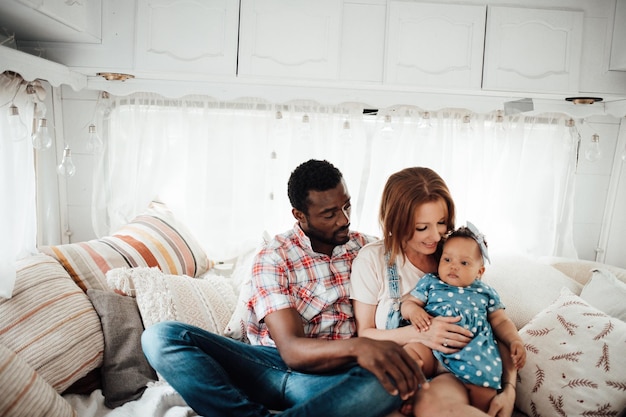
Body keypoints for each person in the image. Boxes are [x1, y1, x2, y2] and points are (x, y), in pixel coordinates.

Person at [142, 159, 427, 417]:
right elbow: (291, 350)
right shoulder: (275, 256)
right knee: (160, 337)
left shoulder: (368, 248)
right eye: (329, 214)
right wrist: (359, 346)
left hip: (338, 376)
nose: (344, 219)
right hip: (268, 366)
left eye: (346, 206)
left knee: (391, 381)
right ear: (300, 215)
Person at [351, 167, 518, 417]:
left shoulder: (457, 256)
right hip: (406, 367)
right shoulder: (373, 260)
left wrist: (509, 388)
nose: (435, 236)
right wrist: (423, 333)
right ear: (396, 223)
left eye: (441, 223)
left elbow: (490, 325)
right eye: (421, 228)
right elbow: (364, 335)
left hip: (458, 371)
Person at [401, 223, 526, 413]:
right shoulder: (431, 282)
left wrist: (514, 339)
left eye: (464, 263)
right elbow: (408, 303)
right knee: (410, 353)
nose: (453, 266)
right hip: (431, 344)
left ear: (479, 272)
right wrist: (413, 311)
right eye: (447, 259)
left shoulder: (485, 292)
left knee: (484, 393)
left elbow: (500, 321)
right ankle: (408, 391)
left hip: (472, 353)